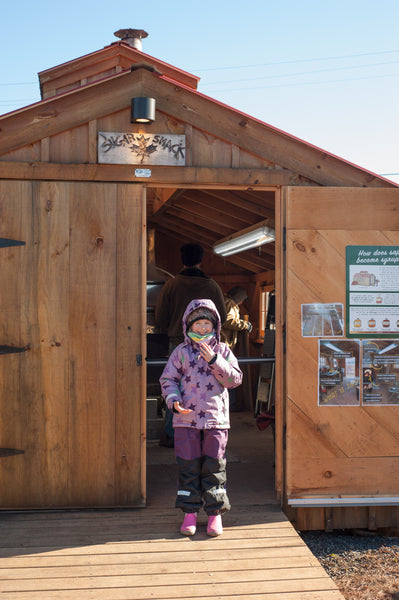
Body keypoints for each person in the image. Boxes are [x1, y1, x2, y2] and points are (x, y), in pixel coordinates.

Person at [159, 298, 242, 537]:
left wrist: (215, 361)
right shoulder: (181, 352)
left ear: (215, 326)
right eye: (198, 324)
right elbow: (168, 380)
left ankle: (215, 515)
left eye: (207, 324)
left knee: (214, 466)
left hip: (216, 420)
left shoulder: (223, 351)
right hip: (186, 420)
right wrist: (173, 400)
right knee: (188, 467)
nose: (203, 329)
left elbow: (234, 380)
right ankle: (190, 513)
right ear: (188, 326)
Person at [155, 243, 227, 447]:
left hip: (178, 344)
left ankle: (172, 433)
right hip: (208, 348)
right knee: (208, 389)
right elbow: (223, 316)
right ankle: (206, 431)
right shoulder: (212, 286)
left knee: (176, 387)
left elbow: (160, 317)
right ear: (201, 260)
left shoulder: (171, 285)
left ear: (182, 259)